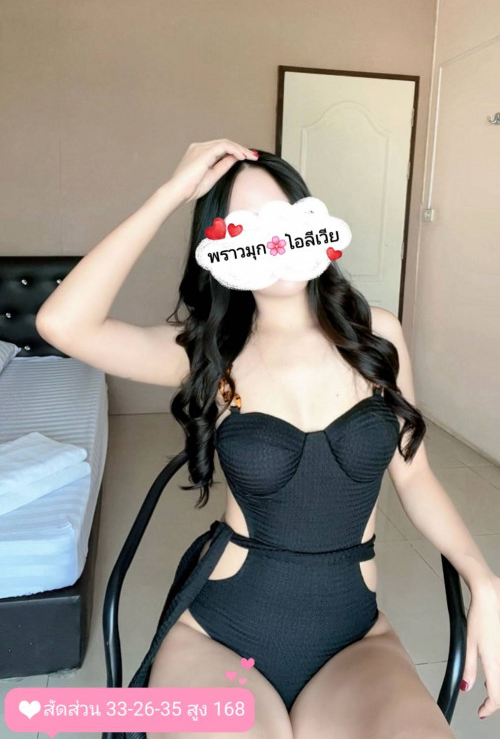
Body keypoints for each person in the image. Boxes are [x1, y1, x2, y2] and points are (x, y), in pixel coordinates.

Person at [36, 140, 500, 739]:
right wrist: (172, 194)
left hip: (353, 641)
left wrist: (483, 579)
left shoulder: (377, 335)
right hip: (221, 638)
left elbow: (415, 476)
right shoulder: (209, 353)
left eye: (283, 218)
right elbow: (61, 323)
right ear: (219, 247)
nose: (272, 240)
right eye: (245, 227)